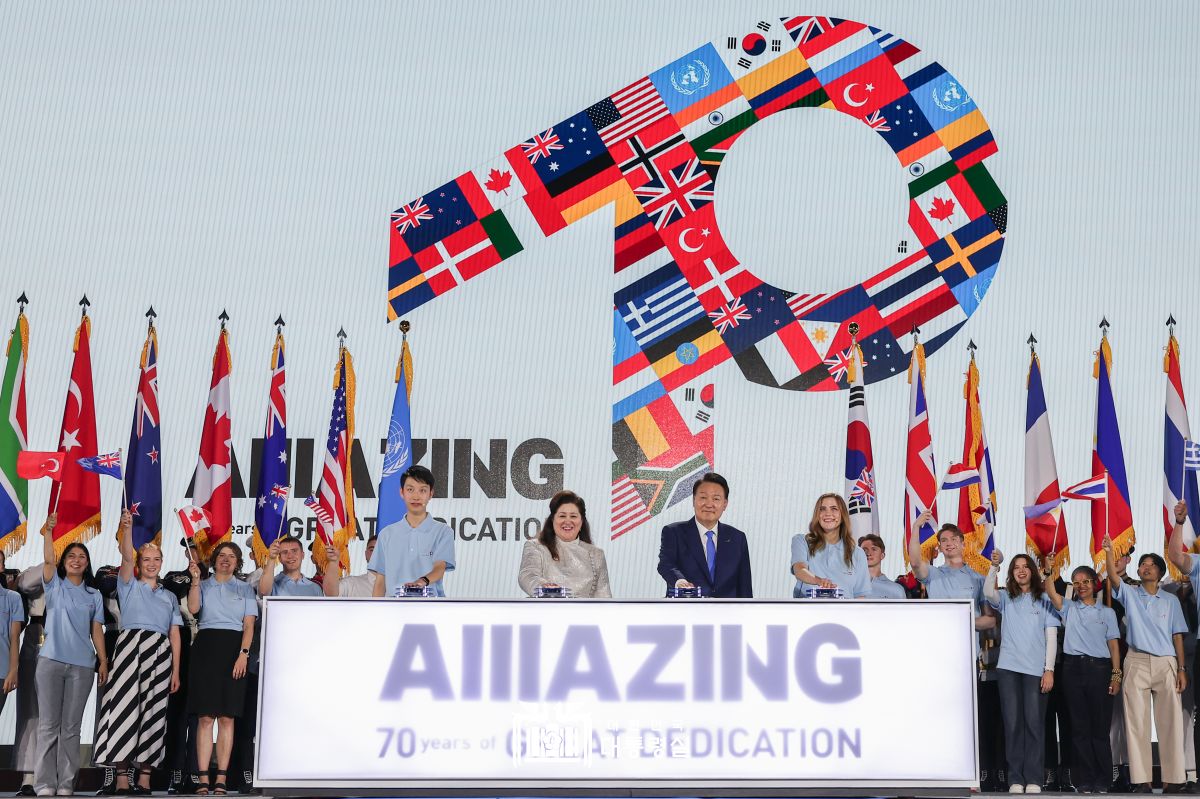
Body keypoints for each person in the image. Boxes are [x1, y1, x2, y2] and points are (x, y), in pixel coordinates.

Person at [92, 509, 183, 794]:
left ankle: (144, 778)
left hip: (161, 653)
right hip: (130, 648)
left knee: (154, 713)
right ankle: (121, 778)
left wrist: (176, 671)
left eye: (157, 560)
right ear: (139, 563)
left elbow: (175, 635)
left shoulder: (169, 596)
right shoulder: (128, 585)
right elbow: (127, 556)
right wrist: (127, 528)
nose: (152, 564)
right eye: (147, 559)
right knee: (123, 709)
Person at [1106, 531, 1189, 793]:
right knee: (1136, 723)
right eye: (1143, 564)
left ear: (1160, 571)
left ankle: (1173, 779)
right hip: (1136, 661)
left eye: (1151, 564)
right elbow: (1112, 576)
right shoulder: (1130, 594)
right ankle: (1141, 780)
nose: (1146, 567)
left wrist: (1181, 668)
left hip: (1166, 662)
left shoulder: (1171, 600)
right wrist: (1109, 552)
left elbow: (1177, 636)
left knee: (1171, 723)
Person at [35, 512, 108, 797]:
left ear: (87, 563)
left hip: (82, 667)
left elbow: (97, 630)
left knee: (71, 729)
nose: (77, 560)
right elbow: (49, 560)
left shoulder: (94, 594)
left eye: (82, 556)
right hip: (50, 662)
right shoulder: (54, 586)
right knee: (48, 727)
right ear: (64, 562)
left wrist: (102, 660)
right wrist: (48, 534)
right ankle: (44, 784)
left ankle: (66, 783)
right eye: (71, 556)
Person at [984, 550, 1059, 794]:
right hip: (1008, 670)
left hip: (1035, 671)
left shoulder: (1045, 599)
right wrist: (994, 566)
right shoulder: (1006, 598)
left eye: (1025, 566)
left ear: (1033, 571)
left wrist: (1048, 669)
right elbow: (987, 593)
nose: (1021, 570)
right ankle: (1016, 778)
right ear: (1012, 573)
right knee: (1013, 724)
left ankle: (1034, 779)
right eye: (1016, 567)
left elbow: (1051, 636)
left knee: (1034, 725)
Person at [1043, 564, 1121, 794]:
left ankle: (1104, 778)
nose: (1081, 586)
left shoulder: (1107, 612)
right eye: (1076, 582)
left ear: (1094, 584)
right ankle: (1085, 779)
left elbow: (1114, 646)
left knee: (1099, 727)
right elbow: (1050, 591)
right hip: (1072, 670)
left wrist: (1116, 675)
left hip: (1099, 669)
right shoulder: (1068, 608)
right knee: (1079, 728)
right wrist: (1048, 572)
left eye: (1085, 581)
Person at [186, 542, 256, 796]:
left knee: (227, 718)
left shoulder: (246, 588)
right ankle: (203, 778)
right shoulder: (202, 585)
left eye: (232, 556)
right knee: (205, 717)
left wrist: (243, 655)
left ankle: (222, 779)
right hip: (206, 649)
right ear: (214, 560)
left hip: (234, 650)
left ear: (238, 562)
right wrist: (195, 581)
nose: (226, 560)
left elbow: (249, 626)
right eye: (222, 556)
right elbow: (194, 609)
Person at [656, 473, 752, 598]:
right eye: (703, 497)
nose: (709, 504)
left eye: (716, 499)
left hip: (728, 614)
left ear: (725, 504)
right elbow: (666, 564)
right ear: (693, 500)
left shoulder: (737, 538)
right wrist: (680, 582)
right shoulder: (674, 532)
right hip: (686, 611)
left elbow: (744, 585)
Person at [370, 465, 455, 597]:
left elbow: (439, 568)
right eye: (410, 489)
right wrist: (376, 614)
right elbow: (380, 582)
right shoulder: (387, 534)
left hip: (431, 608)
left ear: (431, 494)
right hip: (394, 610)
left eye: (422, 490)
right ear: (401, 492)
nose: (416, 496)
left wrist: (423, 581)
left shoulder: (443, 532)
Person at [908, 511, 993, 630]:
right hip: (939, 643)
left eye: (954, 539)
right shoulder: (932, 574)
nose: (949, 543)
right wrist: (916, 527)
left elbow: (990, 620)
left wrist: (963, 621)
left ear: (963, 544)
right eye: (944, 540)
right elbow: (915, 562)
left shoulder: (979, 578)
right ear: (940, 547)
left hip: (968, 645)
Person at [518, 491, 611, 598]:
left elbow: (604, 597)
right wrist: (545, 588)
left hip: (584, 613)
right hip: (545, 612)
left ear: (581, 522)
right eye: (562, 516)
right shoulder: (535, 546)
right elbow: (527, 576)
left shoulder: (596, 554)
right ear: (553, 520)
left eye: (573, 516)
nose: (567, 521)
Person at [790, 494, 869, 598]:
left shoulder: (857, 553)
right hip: (808, 611)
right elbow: (799, 570)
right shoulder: (802, 541)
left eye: (834, 509)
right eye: (822, 509)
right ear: (817, 515)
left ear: (842, 515)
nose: (828, 513)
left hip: (844, 613)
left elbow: (860, 595)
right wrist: (819, 581)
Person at [12, 562, 47, 796]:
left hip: (67, 637)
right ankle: (29, 776)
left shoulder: (77, 570)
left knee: (60, 715)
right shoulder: (36, 571)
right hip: (37, 635)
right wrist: (51, 563)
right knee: (31, 709)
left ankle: (56, 774)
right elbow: (24, 584)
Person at [256, 536, 322, 598]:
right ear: (279, 559)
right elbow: (263, 592)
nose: (290, 556)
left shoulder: (315, 588)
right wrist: (271, 558)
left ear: (302, 555)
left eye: (294, 551)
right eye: (285, 552)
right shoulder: (271, 585)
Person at [858, 534, 905, 599]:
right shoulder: (849, 586)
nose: (868, 553)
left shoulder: (897, 590)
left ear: (882, 555)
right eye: (864, 550)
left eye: (873, 549)